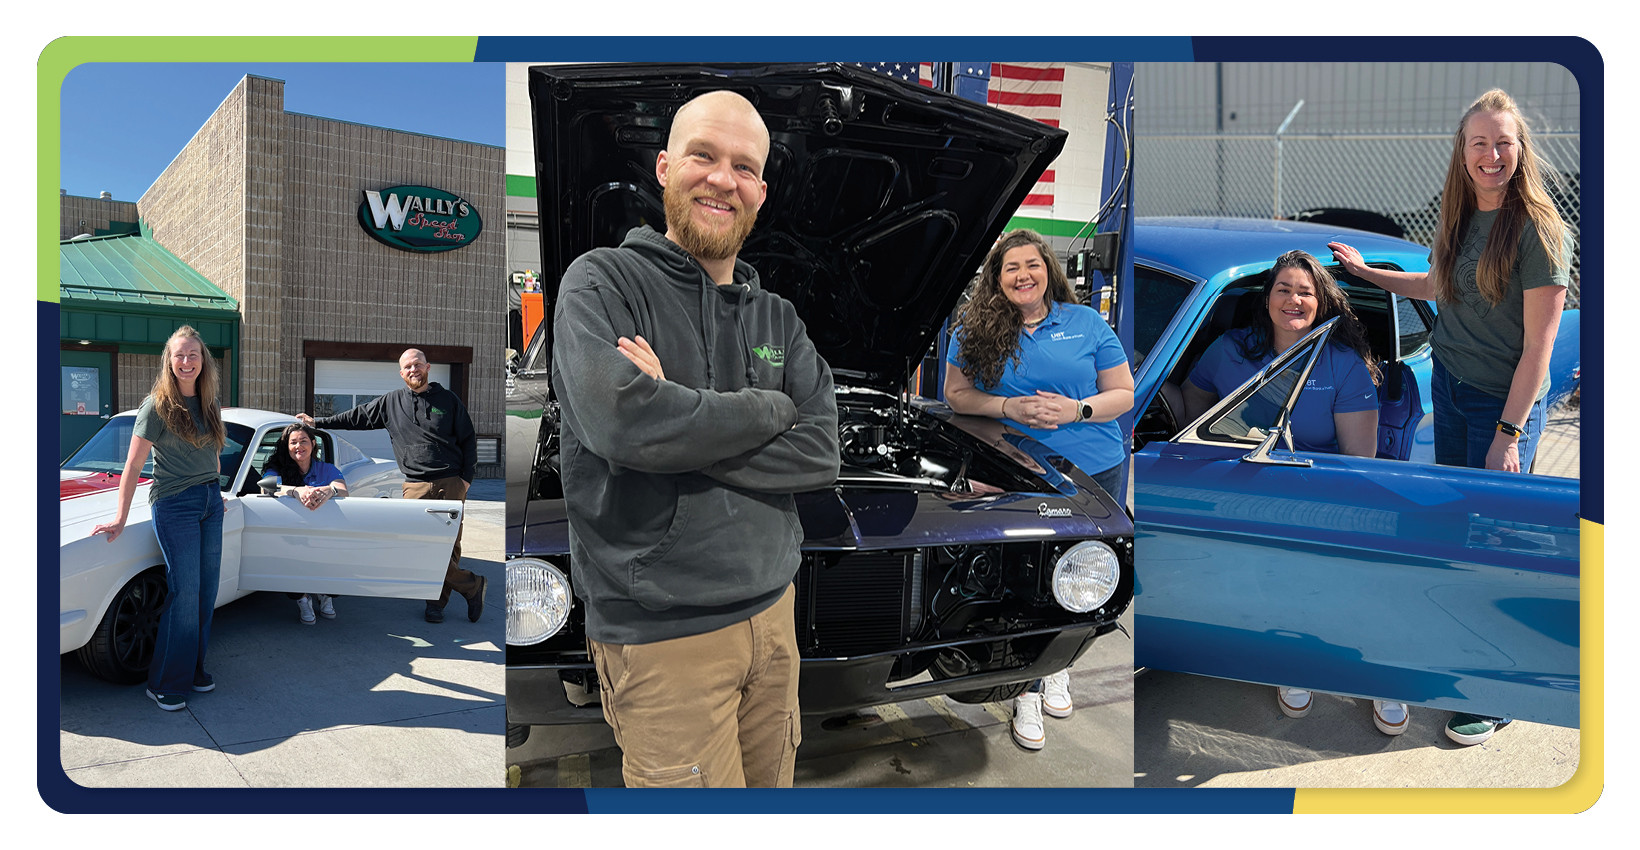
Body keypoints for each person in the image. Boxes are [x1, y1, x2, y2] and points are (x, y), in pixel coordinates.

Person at [552, 90, 840, 787]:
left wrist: (677, 423)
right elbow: (624, 424)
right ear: (663, 166)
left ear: (761, 191)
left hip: (774, 617)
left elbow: (820, 452)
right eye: (702, 155)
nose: (722, 179)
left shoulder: (778, 318)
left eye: (744, 167)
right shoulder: (602, 282)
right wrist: (769, 408)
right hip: (662, 637)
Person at [1329, 88, 1571, 746]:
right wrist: (1368, 274)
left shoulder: (1540, 230)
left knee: (1495, 545)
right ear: (1462, 153)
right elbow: (1437, 286)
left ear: (1521, 150)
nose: (1491, 155)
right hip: (1454, 390)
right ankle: (1460, 655)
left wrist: (1509, 435)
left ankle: (1497, 693)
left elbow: (1539, 349)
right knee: (1463, 536)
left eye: (1503, 143)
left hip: (1500, 405)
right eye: (1479, 143)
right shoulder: (1461, 215)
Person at [1183, 250, 1404, 734]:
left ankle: (1380, 670)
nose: (1293, 300)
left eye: (1306, 292)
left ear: (1321, 302)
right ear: (1267, 298)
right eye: (1283, 289)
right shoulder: (1232, 348)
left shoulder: (1342, 363)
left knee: (1348, 572)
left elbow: (1357, 462)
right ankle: (1296, 657)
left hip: (1320, 486)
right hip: (1245, 482)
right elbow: (1195, 396)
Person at [942, 228, 1135, 751]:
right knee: (1024, 581)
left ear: (1048, 269)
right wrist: (1006, 407)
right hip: (1014, 470)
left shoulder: (1086, 322)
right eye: (1011, 267)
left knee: (1082, 576)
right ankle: (1026, 686)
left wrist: (1078, 409)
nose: (1023, 275)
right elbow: (956, 394)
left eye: (1032, 264)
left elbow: (1122, 392)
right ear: (997, 277)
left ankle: (1059, 664)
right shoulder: (974, 329)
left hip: (1093, 469)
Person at [90, 326, 227, 712]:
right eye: (179, 355)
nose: (186, 361)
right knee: (184, 593)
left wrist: (216, 490)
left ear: (203, 361)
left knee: (206, 592)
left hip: (209, 503)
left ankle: (193, 670)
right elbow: (133, 465)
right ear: (168, 361)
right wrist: (120, 518)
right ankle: (164, 682)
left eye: (193, 354)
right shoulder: (157, 406)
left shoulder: (210, 403)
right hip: (175, 504)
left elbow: (213, 454)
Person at [297, 349, 486, 624]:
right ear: (401, 373)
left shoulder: (448, 400)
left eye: (417, 364)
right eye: (407, 367)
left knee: (449, 546)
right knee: (417, 548)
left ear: (428, 367)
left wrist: (466, 479)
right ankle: (472, 585)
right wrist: (318, 423)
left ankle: (436, 603)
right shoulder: (391, 403)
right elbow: (356, 417)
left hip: (450, 482)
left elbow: (468, 439)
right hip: (415, 485)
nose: (413, 370)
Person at [261, 422, 349, 625]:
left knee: (335, 573)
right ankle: (303, 599)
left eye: (303, 441)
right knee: (291, 570)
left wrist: (329, 490)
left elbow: (343, 490)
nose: (298, 446)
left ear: (313, 444)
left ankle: (325, 595)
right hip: (291, 536)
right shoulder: (277, 469)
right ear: (287, 446)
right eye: (293, 442)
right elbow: (265, 487)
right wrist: (295, 491)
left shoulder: (326, 469)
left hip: (324, 536)